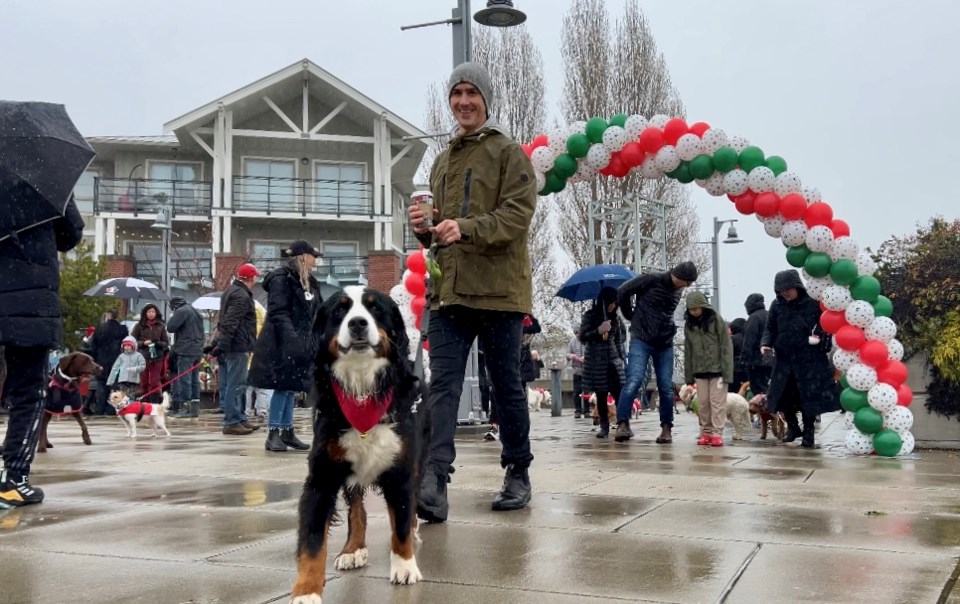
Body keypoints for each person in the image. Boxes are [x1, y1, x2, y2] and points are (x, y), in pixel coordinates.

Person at [408, 61, 537, 521]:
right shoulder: (442, 160)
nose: (463, 101)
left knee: (505, 387)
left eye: (471, 93)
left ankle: (518, 471)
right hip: (450, 293)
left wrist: (462, 227)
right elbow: (442, 231)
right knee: (440, 386)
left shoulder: (508, 153)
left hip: (500, 293)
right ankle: (434, 478)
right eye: (456, 93)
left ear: (485, 99)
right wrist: (425, 229)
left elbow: (516, 218)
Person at [0, 195, 84, 508]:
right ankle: (14, 479)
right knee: (29, 392)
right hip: (30, 305)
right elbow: (70, 234)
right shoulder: (43, 176)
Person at [249, 240, 322, 452]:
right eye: (312, 255)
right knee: (282, 386)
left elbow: (315, 310)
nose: (315, 259)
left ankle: (287, 431)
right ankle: (273, 433)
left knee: (292, 388)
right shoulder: (282, 279)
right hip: (282, 342)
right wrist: (292, 339)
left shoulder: (308, 281)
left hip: (302, 341)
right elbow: (279, 312)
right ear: (302, 256)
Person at [615, 261, 698, 443]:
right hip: (641, 338)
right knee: (634, 381)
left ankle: (666, 427)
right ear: (679, 276)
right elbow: (622, 291)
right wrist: (630, 315)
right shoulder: (651, 279)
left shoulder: (678, 290)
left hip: (664, 341)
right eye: (687, 281)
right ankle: (622, 423)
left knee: (666, 386)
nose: (688, 286)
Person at [760, 270, 840, 448]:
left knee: (808, 397)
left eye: (788, 289)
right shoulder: (777, 305)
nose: (785, 293)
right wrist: (765, 344)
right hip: (784, 358)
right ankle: (793, 427)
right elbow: (770, 328)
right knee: (781, 395)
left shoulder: (813, 303)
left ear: (797, 287)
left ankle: (809, 432)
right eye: (781, 290)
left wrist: (820, 338)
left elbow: (824, 325)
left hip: (808, 359)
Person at [683, 292, 734, 446]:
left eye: (697, 309)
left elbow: (726, 345)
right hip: (700, 370)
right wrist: (689, 377)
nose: (694, 312)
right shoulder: (689, 325)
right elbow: (688, 350)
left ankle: (717, 433)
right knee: (703, 403)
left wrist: (727, 372)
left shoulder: (716, 320)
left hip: (718, 370)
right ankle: (706, 432)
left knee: (717, 402)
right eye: (691, 309)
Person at [217, 263, 261, 436]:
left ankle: (240, 418)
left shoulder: (232, 291)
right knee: (236, 384)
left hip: (235, 343)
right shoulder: (241, 295)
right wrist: (224, 344)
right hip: (237, 345)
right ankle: (232, 421)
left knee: (239, 383)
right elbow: (230, 321)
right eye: (255, 276)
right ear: (251, 277)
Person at [579, 287, 626, 438]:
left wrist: (621, 358)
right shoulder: (590, 316)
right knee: (601, 394)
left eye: (615, 302)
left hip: (612, 360)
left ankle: (623, 424)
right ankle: (603, 426)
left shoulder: (616, 319)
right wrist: (598, 330)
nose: (613, 305)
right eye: (610, 302)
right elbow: (583, 336)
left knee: (619, 393)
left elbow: (618, 340)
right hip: (595, 360)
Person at [167, 296, 204, 418]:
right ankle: (194, 408)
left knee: (184, 378)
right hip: (197, 350)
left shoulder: (182, 311)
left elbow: (170, 327)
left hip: (185, 349)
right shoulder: (195, 311)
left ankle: (185, 407)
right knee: (194, 379)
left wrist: (174, 316)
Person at [87, 309, 128, 415]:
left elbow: (93, 346)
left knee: (101, 384)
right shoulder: (122, 329)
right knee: (114, 385)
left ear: (108, 315)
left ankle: (100, 408)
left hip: (101, 360)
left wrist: (95, 359)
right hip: (116, 360)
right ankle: (112, 409)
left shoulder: (100, 328)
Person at [131, 304, 169, 405]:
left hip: (157, 356)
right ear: (145, 313)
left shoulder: (161, 326)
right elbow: (132, 341)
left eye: (153, 312)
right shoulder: (139, 326)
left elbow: (166, 342)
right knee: (143, 380)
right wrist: (143, 343)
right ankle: (143, 401)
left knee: (155, 380)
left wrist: (157, 343)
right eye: (149, 312)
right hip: (143, 356)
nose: (151, 314)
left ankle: (154, 402)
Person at [741, 293, 772, 394]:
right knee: (770, 387)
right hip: (772, 358)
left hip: (756, 361)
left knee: (758, 389)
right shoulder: (770, 315)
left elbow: (749, 340)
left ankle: (762, 408)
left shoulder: (754, 318)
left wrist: (744, 358)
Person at [567, 326, 585, 418]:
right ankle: (577, 411)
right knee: (576, 391)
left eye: (578, 333)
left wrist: (586, 357)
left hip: (587, 370)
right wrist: (570, 356)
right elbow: (567, 354)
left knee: (587, 391)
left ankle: (587, 410)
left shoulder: (587, 340)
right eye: (576, 333)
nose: (577, 335)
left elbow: (593, 352)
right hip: (576, 370)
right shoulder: (572, 342)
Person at [728, 317, 748, 393]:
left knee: (733, 391)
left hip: (734, 368)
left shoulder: (732, 339)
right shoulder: (748, 338)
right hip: (746, 368)